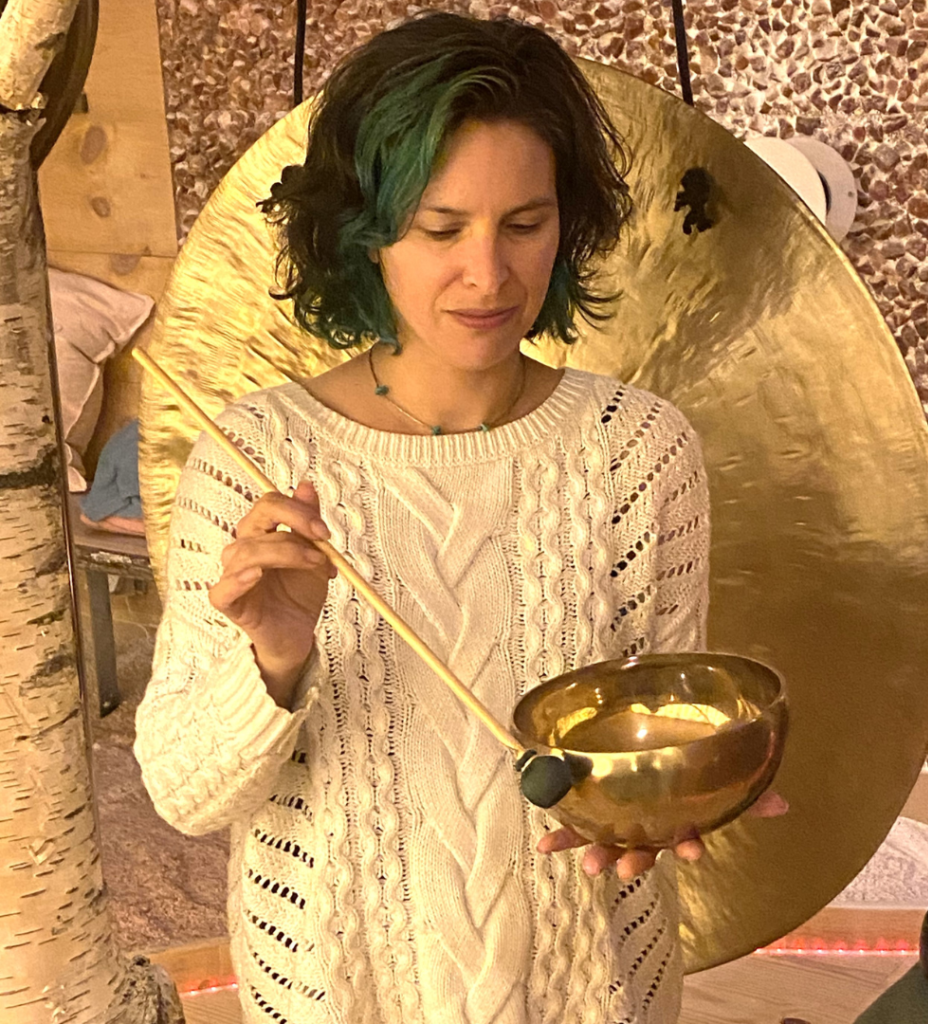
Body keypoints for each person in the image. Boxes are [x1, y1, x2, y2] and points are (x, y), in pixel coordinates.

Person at [134, 12, 784, 1023]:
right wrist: (274, 660)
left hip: (591, 990)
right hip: (333, 995)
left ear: (568, 221)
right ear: (364, 230)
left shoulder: (638, 449)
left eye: (523, 223)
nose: (488, 275)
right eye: (440, 229)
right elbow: (183, 793)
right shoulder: (256, 458)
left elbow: (645, 731)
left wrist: (673, 800)